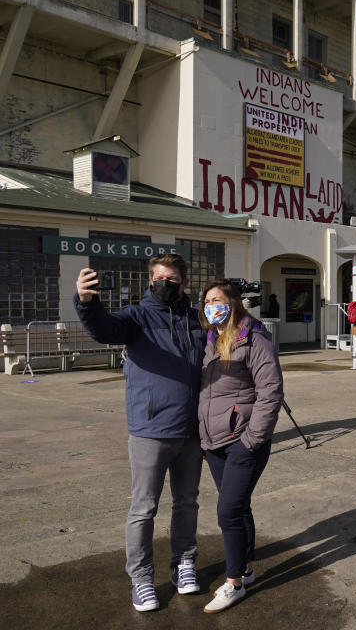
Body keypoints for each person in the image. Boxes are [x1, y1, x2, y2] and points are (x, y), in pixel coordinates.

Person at [74, 254, 204, 613]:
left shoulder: (197, 318)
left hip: (192, 431)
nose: (166, 283)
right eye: (160, 277)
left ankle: (184, 564)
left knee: (187, 502)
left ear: (184, 283)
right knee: (144, 508)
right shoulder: (136, 317)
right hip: (151, 430)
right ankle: (142, 579)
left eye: (173, 278)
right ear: (150, 281)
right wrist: (87, 302)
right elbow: (103, 329)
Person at [197, 281, 283, 613]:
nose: (210, 306)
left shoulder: (254, 339)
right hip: (213, 441)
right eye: (206, 301)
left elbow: (271, 390)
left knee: (228, 512)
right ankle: (246, 569)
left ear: (233, 303)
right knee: (239, 506)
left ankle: (233, 583)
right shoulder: (210, 340)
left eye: (217, 300)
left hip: (241, 441)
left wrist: (252, 439)